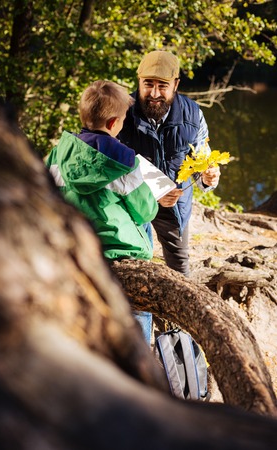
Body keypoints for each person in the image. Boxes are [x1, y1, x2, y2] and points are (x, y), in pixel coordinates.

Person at [46, 80, 158, 342]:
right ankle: (140, 343)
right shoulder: (124, 159)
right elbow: (146, 211)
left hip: (75, 245)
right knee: (144, 227)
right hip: (117, 251)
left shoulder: (57, 154)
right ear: (112, 124)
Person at [118, 50, 221, 277]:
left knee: (180, 270)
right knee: (131, 265)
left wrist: (207, 177)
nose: (154, 93)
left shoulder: (193, 114)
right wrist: (153, 192)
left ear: (176, 84)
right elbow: (111, 167)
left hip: (173, 208)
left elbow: (200, 160)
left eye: (162, 85)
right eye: (148, 84)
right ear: (139, 82)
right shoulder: (120, 111)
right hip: (131, 203)